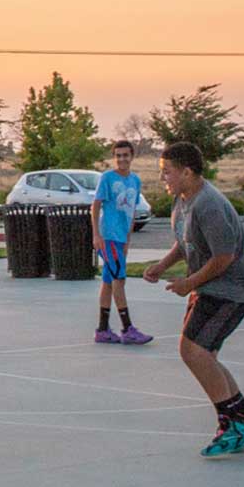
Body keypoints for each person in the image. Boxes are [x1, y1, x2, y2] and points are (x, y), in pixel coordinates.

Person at [141, 142, 244, 457]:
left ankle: (231, 423)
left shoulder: (209, 205)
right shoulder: (183, 201)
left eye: (166, 172)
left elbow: (224, 257)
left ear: (187, 172)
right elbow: (186, 242)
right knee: (203, 353)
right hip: (210, 287)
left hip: (231, 290)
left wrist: (189, 283)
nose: (163, 179)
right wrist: (162, 266)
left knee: (194, 351)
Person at [92, 140, 153, 344]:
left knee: (109, 282)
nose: (121, 159)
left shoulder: (135, 180)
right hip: (108, 236)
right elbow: (96, 206)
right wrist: (96, 235)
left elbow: (131, 212)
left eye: (125, 155)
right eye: (117, 155)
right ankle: (127, 329)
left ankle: (102, 330)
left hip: (120, 238)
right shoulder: (107, 178)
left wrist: (128, 239)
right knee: (120, 279)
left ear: (132, 156)